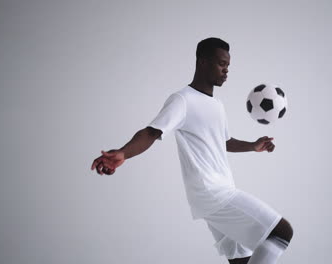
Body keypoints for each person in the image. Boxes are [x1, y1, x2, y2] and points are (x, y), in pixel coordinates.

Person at [90, 37, 293, 264]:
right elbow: (151, 132)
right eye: (221, 64)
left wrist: (252, 146)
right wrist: (123, 152)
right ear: (202, 62)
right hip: (214, 194)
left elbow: (223, 142)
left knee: (241, 260)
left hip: (215, 195)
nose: (226, 70)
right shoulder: (182, 100)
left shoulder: (217, 105)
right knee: (282, 232)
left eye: (228, 65)